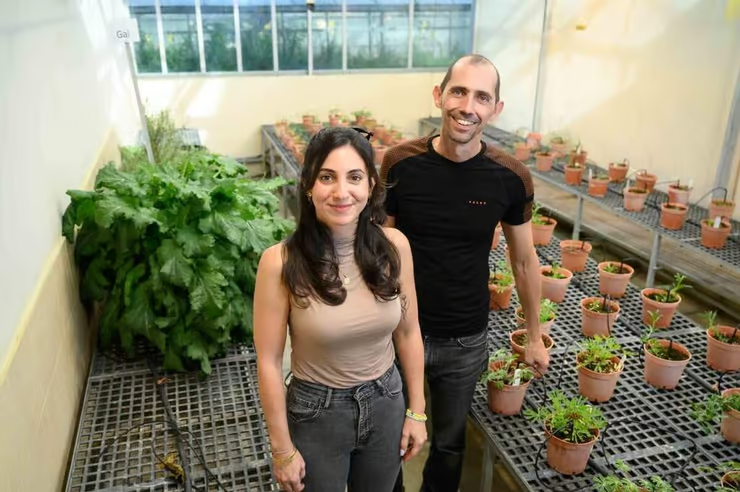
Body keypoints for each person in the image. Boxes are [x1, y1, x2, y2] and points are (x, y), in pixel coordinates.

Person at [381, 54, 550, 492]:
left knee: (449, 444)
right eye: (458, 91)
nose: (467, 106)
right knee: (388, 437)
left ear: (496, 108)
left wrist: (534, 335)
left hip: (464, 337)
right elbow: (380, 251)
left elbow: (524, 261)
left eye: (481, 97)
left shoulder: (510, 177)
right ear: (439, 95)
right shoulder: (399, 164)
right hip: (398, 330)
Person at [253, 126, 428, 492]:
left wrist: (417, 410)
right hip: (317, 413)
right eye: (327, 177)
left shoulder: (394, 248)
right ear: (308, 185)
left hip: (386, 402)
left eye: (354, 177)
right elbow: (268, 361)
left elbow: (409, 332)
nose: (341, 192)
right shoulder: (280, 263)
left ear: (371, 185)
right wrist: (282, 449)